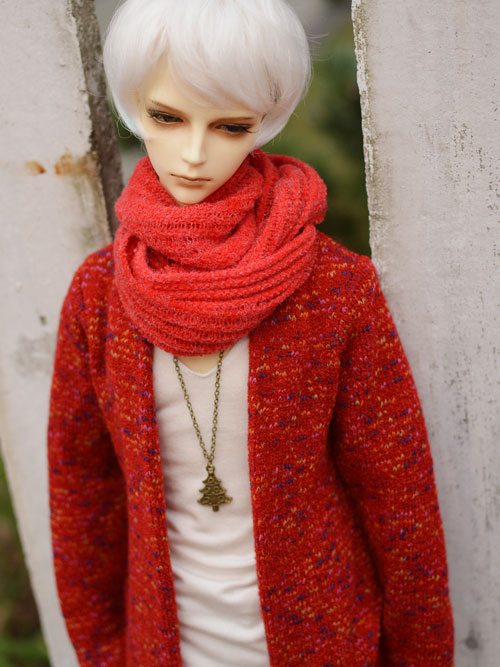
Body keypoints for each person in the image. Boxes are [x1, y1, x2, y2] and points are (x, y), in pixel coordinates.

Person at [47, 0, 454, 665]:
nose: (194, 153)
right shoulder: (100, 295)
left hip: (325, 641)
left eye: (230, 125)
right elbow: (81, 498)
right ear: (133, 106)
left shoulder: (334, 290)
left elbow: (399, 499)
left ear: (265, 120)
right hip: (164, 646)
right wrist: (101, 653)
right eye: (167, 117)